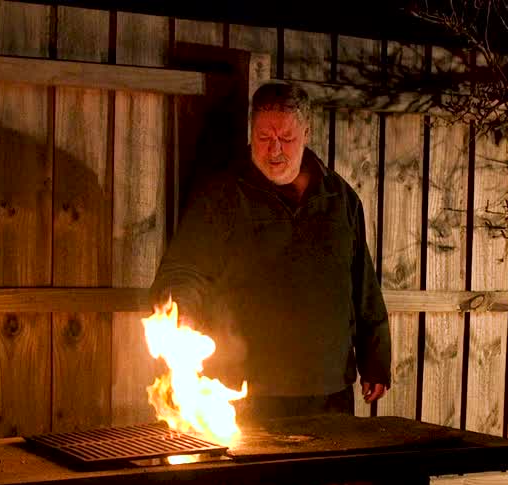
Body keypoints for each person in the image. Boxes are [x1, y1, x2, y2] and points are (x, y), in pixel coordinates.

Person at [150, 81, 391, 422]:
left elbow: (362, 285)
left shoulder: (340, 199)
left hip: (327, 392)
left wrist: (375, 360)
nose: (274, 150)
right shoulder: (221, 198)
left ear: (307, 132)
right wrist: (181, 315)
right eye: (263, 137)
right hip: (244, 394)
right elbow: (184, 271)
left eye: (286, 138)